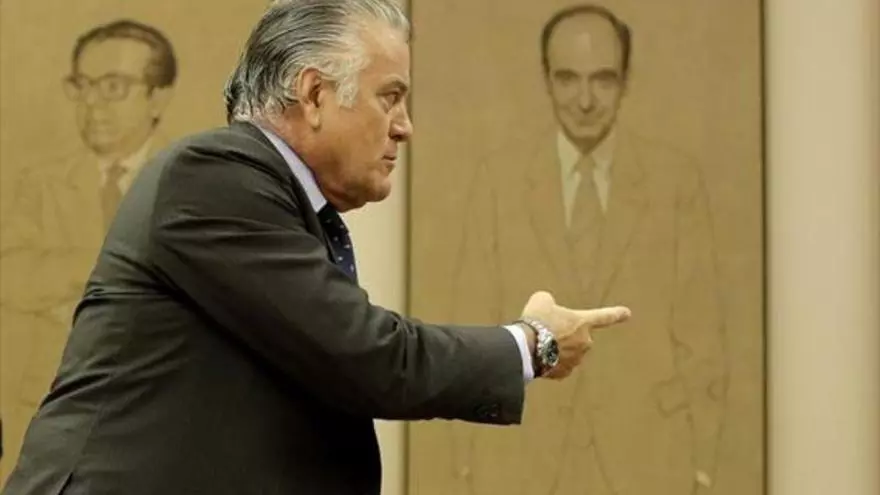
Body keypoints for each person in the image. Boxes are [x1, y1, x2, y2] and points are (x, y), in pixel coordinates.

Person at [0, 1, 630, 494]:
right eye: (390, 96)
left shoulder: (270, 198)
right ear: (314, 94)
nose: (405, 126)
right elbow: (369, 358)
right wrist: (533, 344)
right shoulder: (213, 175)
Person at [444, 4, 728, 494]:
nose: (585, 100)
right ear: (546, 79)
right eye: (567, 78)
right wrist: (464, 464)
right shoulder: (499, 180)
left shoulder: (675, 182)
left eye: (603, 79)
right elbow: (466, 329)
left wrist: (702, 467)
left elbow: (702, 336)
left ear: (625, 80)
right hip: (519, 457)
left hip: (648, 456)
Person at [0, 19, 176, 479]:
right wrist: (116, 266)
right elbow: (11, 277)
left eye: (113, 87)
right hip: (51, 406)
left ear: (157, 97)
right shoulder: (40, 186)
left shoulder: (192, 183)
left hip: (160, 408)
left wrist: (62, 285)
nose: (92, 104)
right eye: (83, 86)